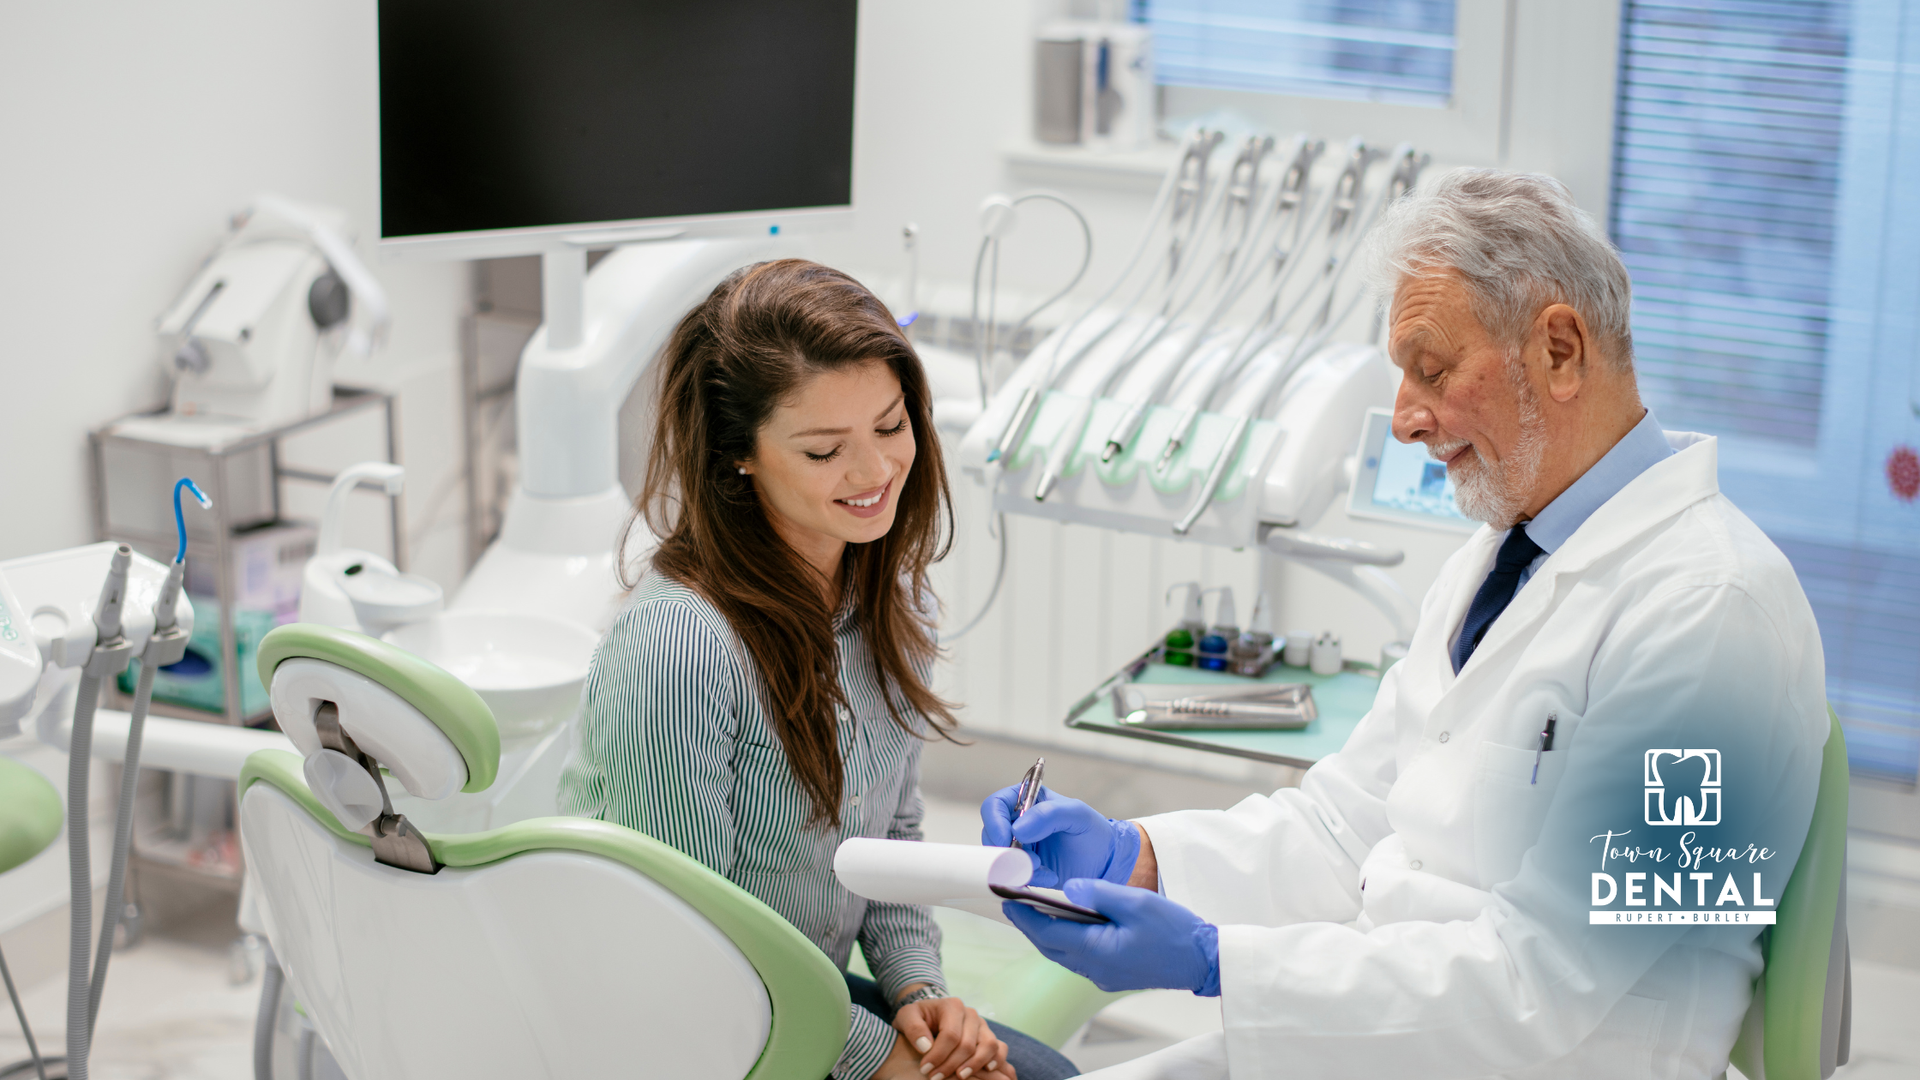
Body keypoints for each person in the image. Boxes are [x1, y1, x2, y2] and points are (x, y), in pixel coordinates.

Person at [982, 170, 1830, 1080]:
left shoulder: (1712, 618)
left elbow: (1549, 986)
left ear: (1559, 349)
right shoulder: (1504, 559)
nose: (1404, 421)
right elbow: (1347, 826)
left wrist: (1217, 962)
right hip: (1395, 1041)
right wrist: (1139, 858)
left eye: (1431, 371)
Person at [559, 259, 1077, 1080]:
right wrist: (881, 1062)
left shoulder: (887, 599)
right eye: (825, 449)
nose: (875, 473)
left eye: (891, 425)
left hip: (803, 992)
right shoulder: (682, 647)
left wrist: (918, 993)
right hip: (691, 1027)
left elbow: (891, 837)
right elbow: (691, 945)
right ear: (739, 456)